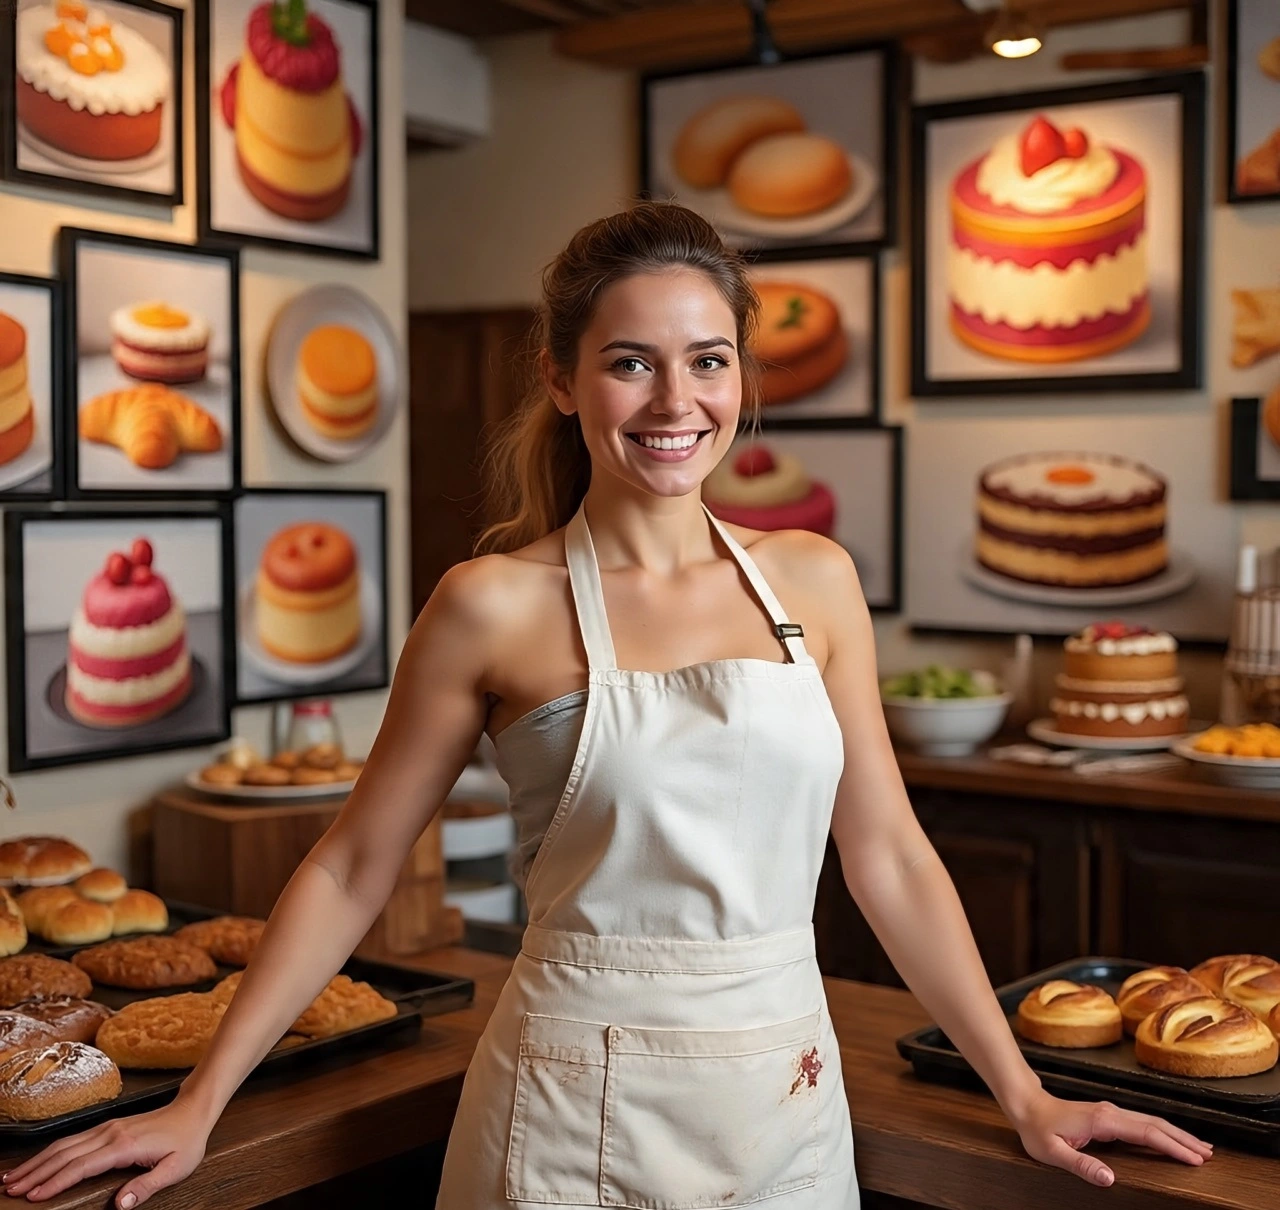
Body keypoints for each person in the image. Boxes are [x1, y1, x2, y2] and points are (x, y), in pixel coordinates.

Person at [3, 202, 1211, 1208]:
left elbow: (887, 856)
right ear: (564, 378)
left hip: (789, 1111)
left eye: (707, 359)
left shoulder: (813, 579)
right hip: (566, 1119)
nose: (673, 400)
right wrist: (199, 1105)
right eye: (630, 360)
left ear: (740, 373)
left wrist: (1024, 1091)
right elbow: (353, 863)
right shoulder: (489, 605)